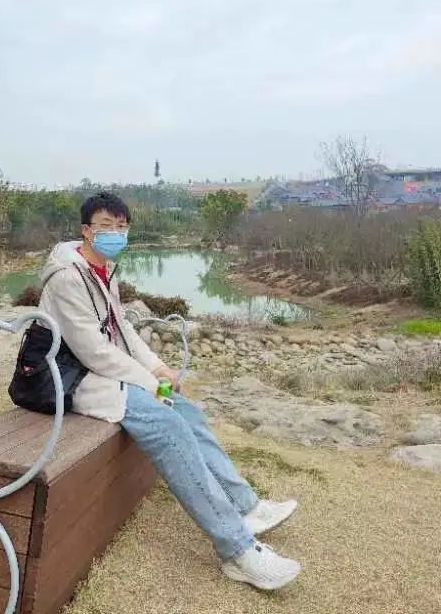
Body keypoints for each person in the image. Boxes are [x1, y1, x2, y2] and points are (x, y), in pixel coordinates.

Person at [37, 191, 301, 591]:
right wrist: (151, 383)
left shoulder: (102, 269)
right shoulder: (67, 278)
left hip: (100, 372)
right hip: (67, 376)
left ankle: (246, 507)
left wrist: (158, 368)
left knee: (185, 409)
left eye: (122, 227)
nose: (116, 234)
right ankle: (237, 550)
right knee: (167, 424)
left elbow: (122, 329)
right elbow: (93, 351)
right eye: (107, 226)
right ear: (86, 231)